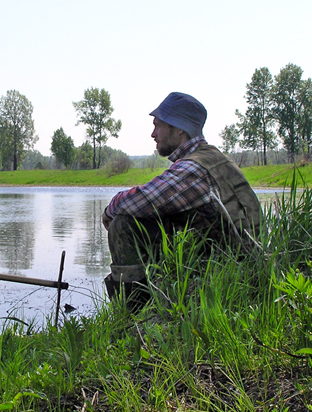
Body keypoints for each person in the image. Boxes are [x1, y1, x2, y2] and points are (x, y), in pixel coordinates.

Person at [102, 92, 262, 306]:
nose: (153, 134)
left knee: (124, 223)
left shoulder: (193, 167)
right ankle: (159, 302)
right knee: (151, 218)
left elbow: (137, 201)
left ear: (179, 129)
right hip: (242, 267)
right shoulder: (213, 158)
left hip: (237, 276)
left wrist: (108, 211)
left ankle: (132, 316)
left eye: (158, 125)